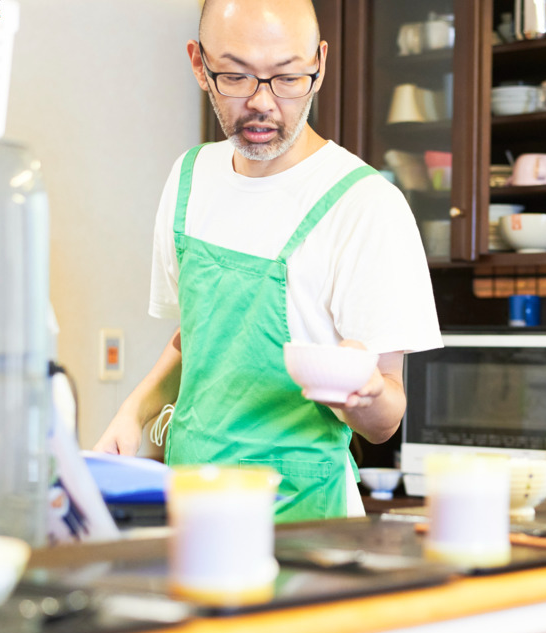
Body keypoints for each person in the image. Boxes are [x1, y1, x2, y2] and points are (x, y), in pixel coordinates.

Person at [94, 0, 442, 522]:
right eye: (234, 76)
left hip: (306, 517)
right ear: (198, 64)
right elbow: (194, 338)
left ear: (319, 64)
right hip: (194, 502)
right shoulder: (190, 178)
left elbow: (384, 420)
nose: (262, 104)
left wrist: (363, 393)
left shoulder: (365, 205)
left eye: (287, 78)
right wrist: (135, 410)